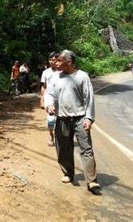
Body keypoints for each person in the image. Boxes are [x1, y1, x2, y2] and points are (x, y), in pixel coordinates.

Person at [44, 50, 100, 195]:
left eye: (59, 60)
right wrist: (49, 104)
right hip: (62, 118)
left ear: (68, 62)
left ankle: (91, 180)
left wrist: (88, 118)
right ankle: (68, 173)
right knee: (63, 148)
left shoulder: (82, 76)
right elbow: (49, 93)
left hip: (80, 118)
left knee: (86, 148)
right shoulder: (55, 77)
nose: (56, 62)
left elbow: (89, 99)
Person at [40, 52, 59, 147]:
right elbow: (43, 86)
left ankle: (60, 138)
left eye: (54, 60)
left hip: (60, 98)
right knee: (51, 119)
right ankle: (51, 136)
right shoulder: (46, 72)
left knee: (60, 119)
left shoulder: (62, 72)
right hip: (49, 98)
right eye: (50, 60)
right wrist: (42, 99)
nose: (52, 61)